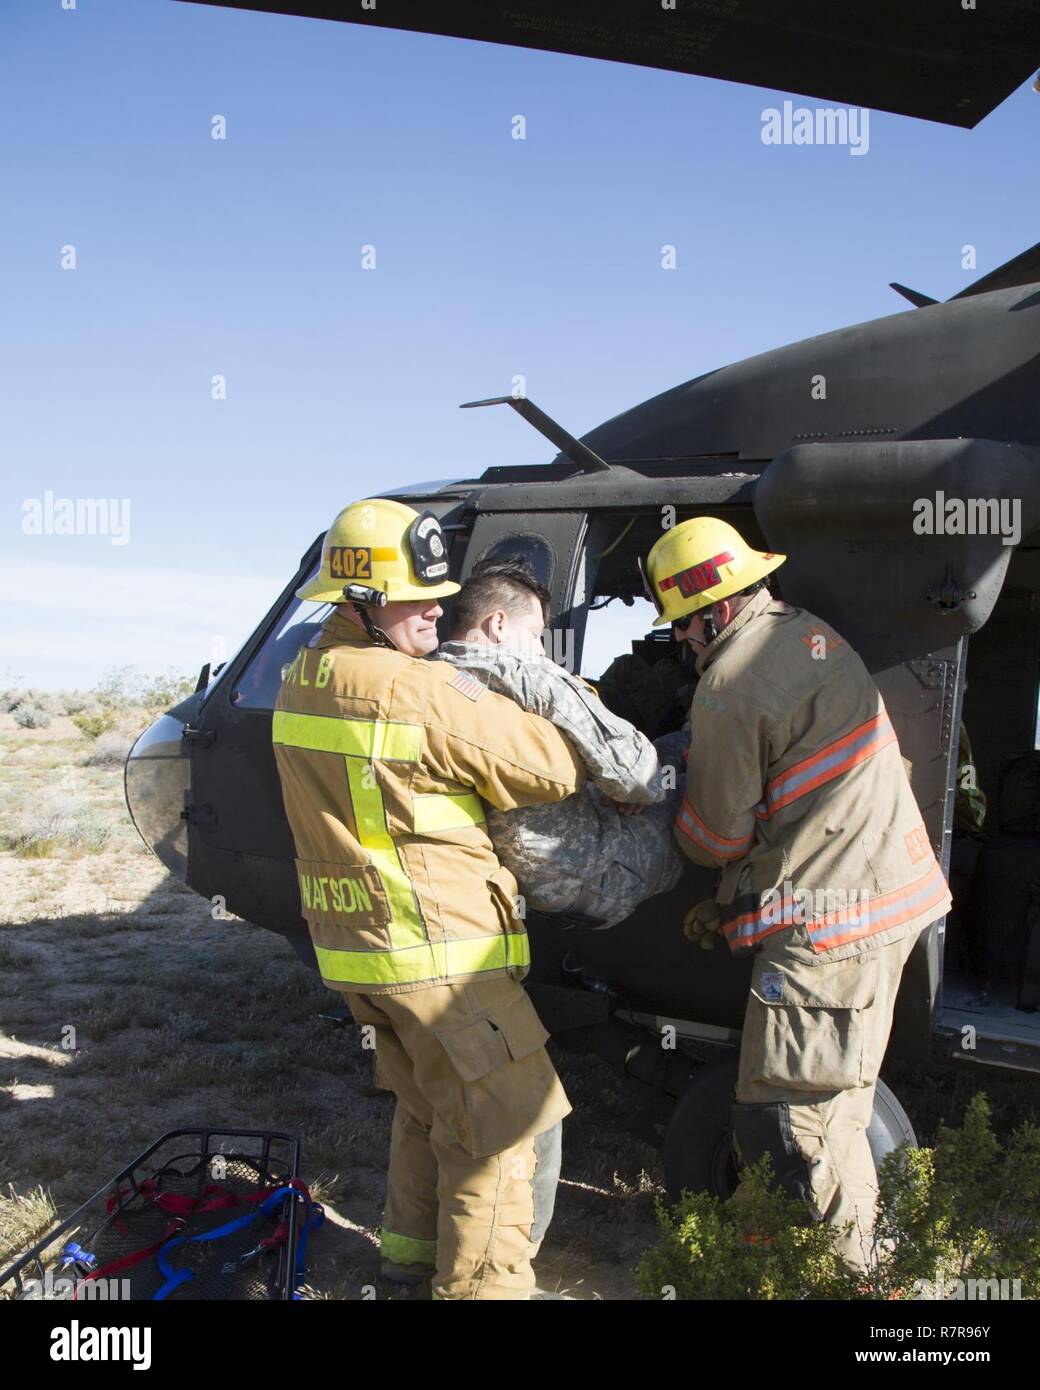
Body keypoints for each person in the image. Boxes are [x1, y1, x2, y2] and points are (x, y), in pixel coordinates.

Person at [271, 497, 588, 1300]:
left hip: (364, 957)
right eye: (418, 595)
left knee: (429, 1115)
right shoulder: (410, 689)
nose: (439, 609)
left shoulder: (303, 676)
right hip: (442, 961)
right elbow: (553, 766)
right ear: (365, 600)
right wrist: (523, 679)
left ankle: (406, 1262)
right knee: (503, 1139)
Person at [642, 516, 952, 1272]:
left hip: (829, 933)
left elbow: (713, 838)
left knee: (791, 1126)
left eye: (683, 625)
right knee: (838, 1110)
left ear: (714, 610)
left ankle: (853, 1288)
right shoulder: (809, 632)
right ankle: (849, 1265)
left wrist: (662, 794)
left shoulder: (728, 685)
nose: (681, 642)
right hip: (891, 900)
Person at [437, 558, 685, 928]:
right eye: (537, 634)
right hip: (584, 879)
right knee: (684, 761)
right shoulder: (526, 674)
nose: (541, 649)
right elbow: (639, 775)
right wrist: (628, 789)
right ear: (499, 624)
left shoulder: (429, 679)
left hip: (500, 877)